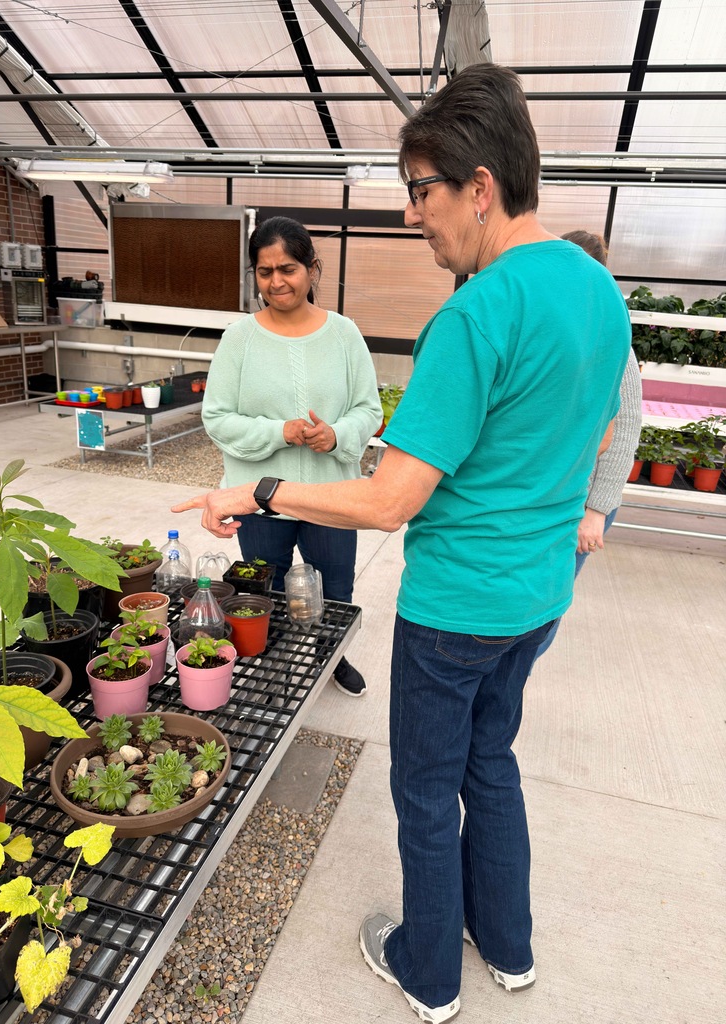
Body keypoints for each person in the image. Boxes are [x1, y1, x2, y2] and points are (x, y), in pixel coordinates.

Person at [173, 65, 630, 1023]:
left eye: (421, 191)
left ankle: (429, 972)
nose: (412, 214)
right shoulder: (597, 289)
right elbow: (584, 433)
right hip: (540, 594)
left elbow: (388, 503)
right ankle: (507, 946)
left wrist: (257, 488)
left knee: (424, 789)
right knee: (490, 763)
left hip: (457, 606)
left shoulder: (475, 314)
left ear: (480, 187)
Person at [199, 216, 382, 697]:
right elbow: (216, 417)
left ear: (312, 269)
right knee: (265, 590)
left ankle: (331, 656)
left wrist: (336, 435)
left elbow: (369, 409)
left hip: (331, 496)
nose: (276, 281)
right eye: (265, 271)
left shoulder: (344, 334)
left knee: (336, 588)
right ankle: (273, 663)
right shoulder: (239, 338)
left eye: (288, 269)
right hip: (260, 497)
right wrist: (279, 432)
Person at [534, 230, 643, 661]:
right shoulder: (562, 328)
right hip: (552, 492)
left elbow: (626, 426)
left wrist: (596, 511)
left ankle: (519, 675)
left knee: (546, 604)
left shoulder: (611, 337)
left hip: (583, 503)